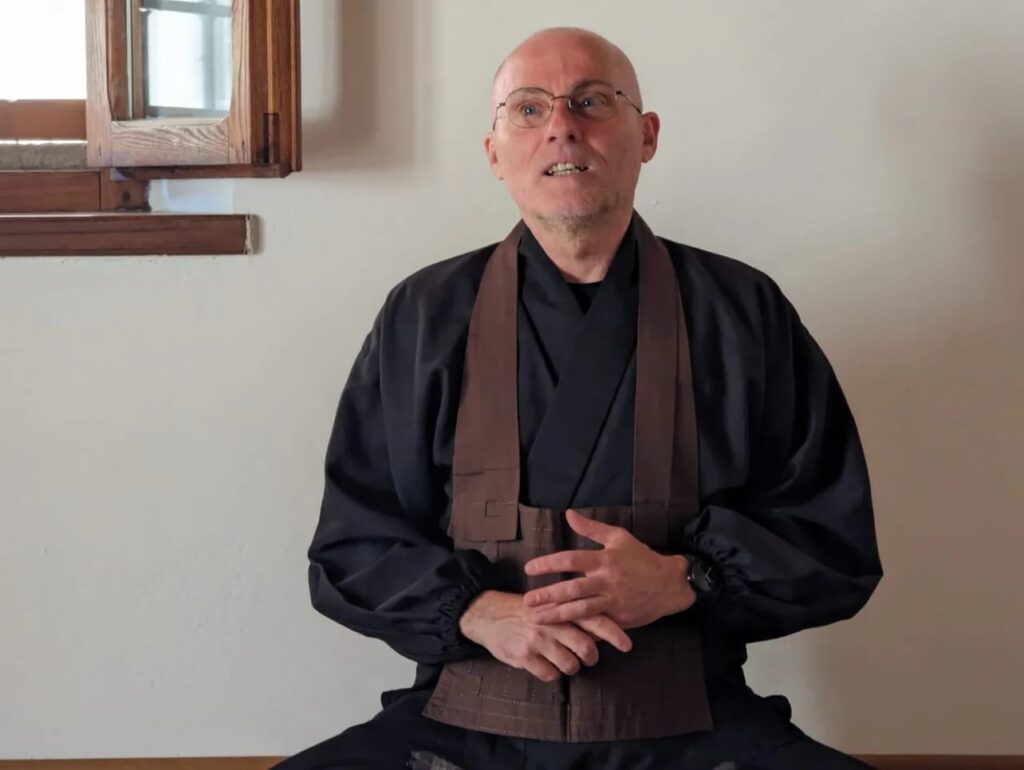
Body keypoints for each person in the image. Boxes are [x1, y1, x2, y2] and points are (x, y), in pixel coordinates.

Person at [276, 27, 882, 770]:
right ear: (495, 151)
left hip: (687, 718)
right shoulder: (425, 316)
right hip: (467, 720)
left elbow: (830, 538)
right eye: (529, 109)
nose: (562, 125)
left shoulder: (741, 311)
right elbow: (353, 543)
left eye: (591, 101)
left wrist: (684, 579)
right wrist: (478, 613)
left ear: (646, 135)